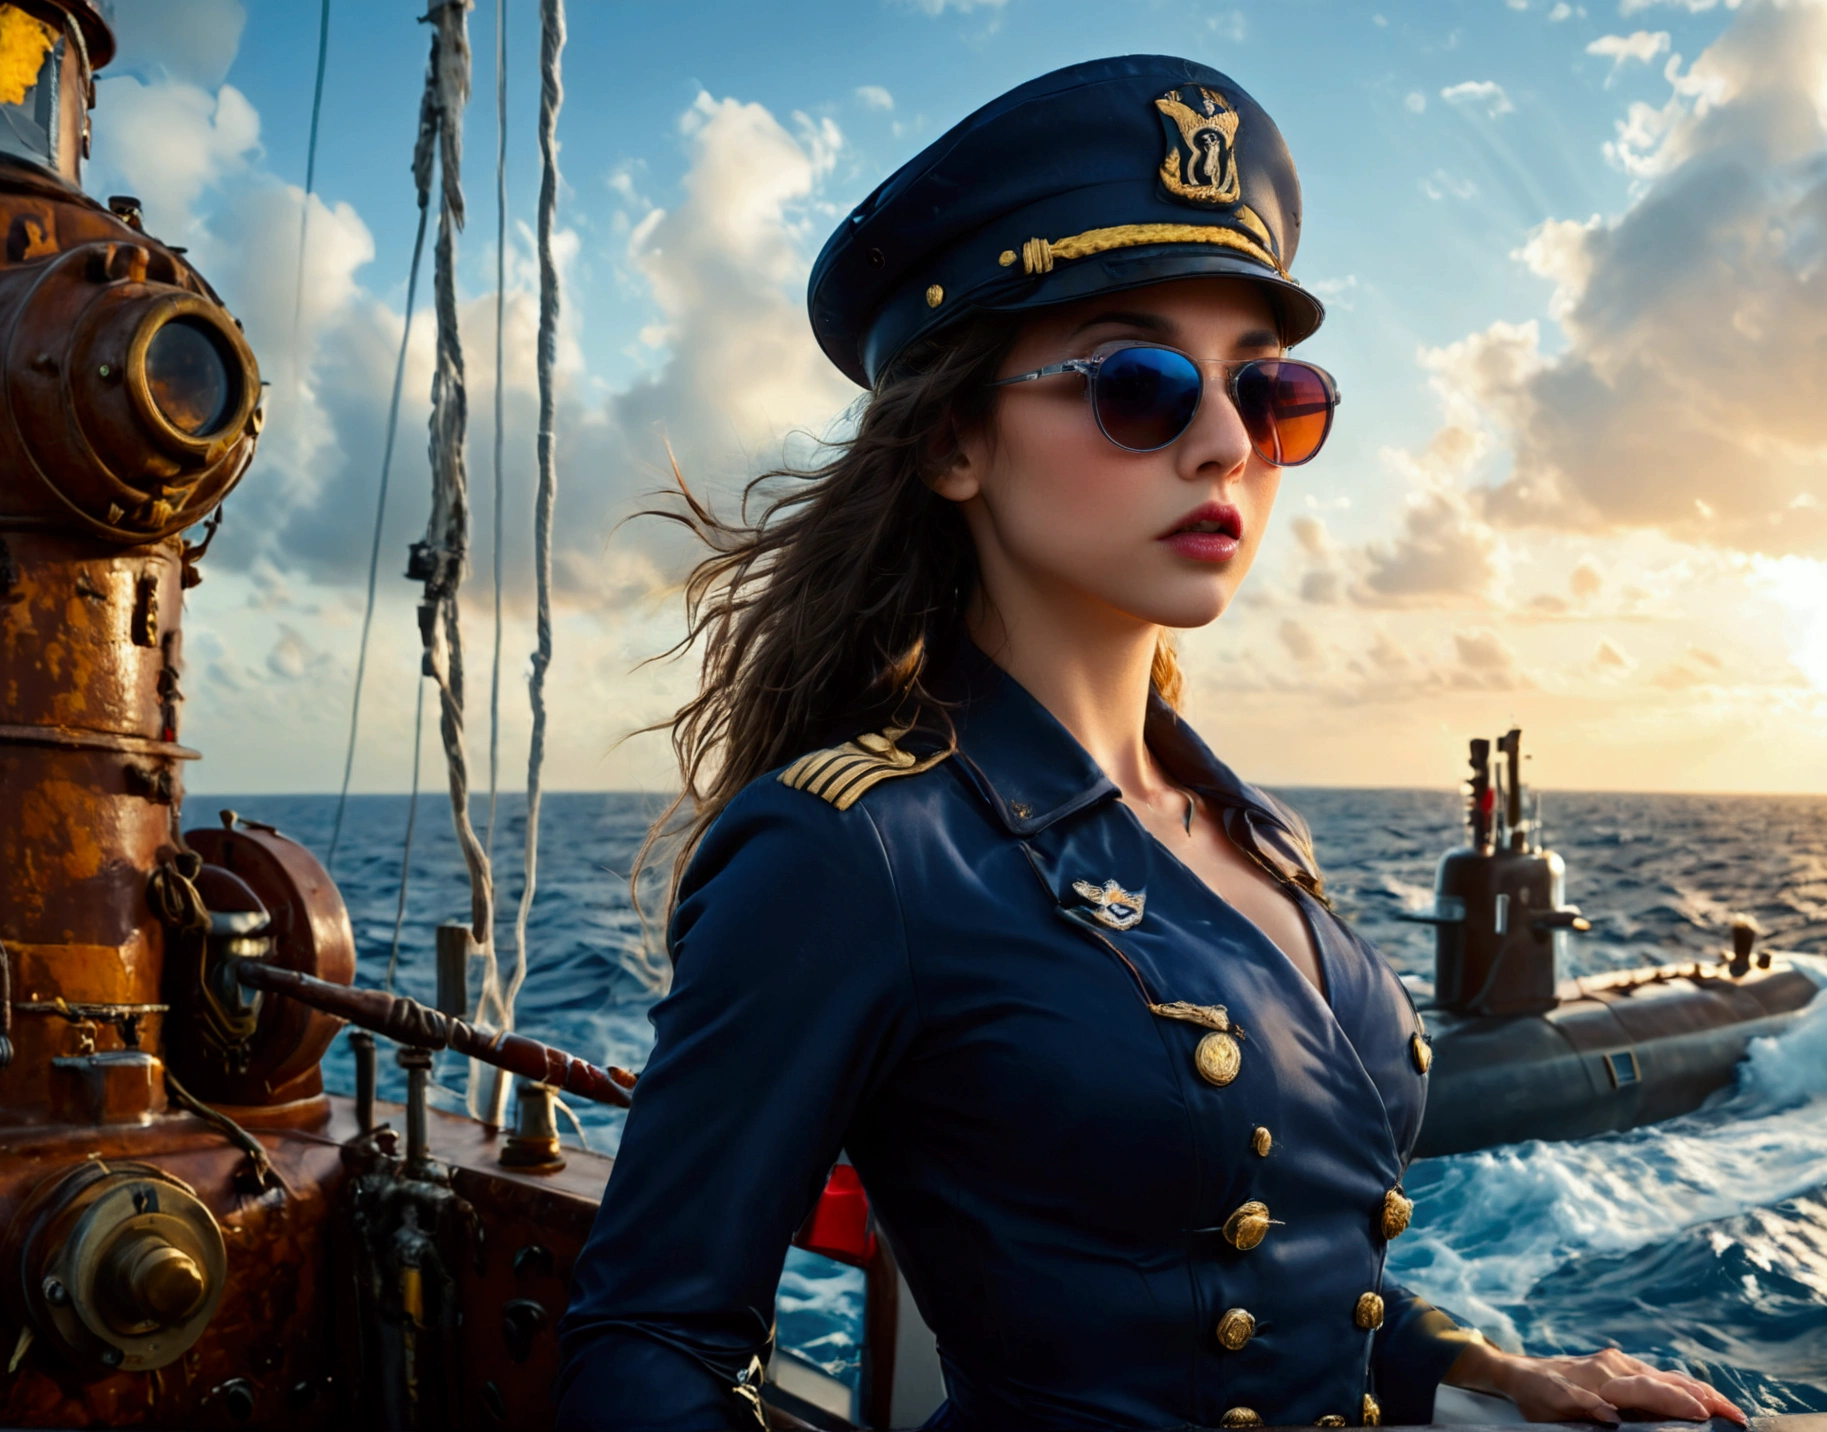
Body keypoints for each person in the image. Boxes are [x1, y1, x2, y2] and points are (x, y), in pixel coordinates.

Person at [558, 55, 1750, 1432]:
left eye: (1269, 390)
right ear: (952, 441)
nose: (1223, 443)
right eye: (1139, 385)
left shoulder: (1247, 831)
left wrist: (1464, 1365)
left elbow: (1262, 1256)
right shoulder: (857, 849)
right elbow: (646, 1344)